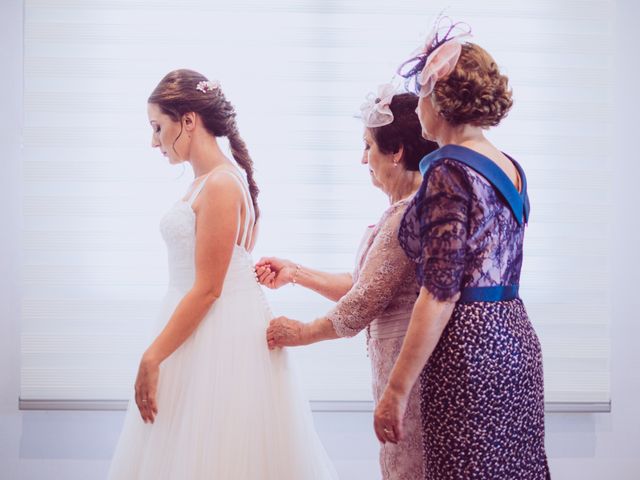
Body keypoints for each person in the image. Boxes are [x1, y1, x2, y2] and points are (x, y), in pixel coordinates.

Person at [107, 69, 338, 480]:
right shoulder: (209, 182)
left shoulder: (220, 185)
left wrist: (152, 356)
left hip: (218, 337)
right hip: (202, 329)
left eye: (157, 127)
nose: (153, 141)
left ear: (189, 121)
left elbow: (210, 288)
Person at [373, 19, 550, 479]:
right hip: (514, 340)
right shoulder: (510, 166)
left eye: (422, 94)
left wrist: (395, 390)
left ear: (438, 100)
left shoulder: (448, 172)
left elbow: (439, 293)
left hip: (467, 351)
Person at [256, 87, 438, 480]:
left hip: (411, 369)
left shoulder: (408, 217)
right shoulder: (401, 213)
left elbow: (362, 305)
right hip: (393, 363)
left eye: (368, 146)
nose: (362, 159)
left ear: (396, 152)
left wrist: (300, 332)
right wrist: (296, 273)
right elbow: (365, 285)